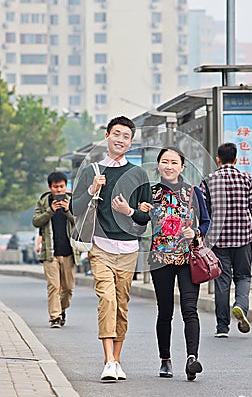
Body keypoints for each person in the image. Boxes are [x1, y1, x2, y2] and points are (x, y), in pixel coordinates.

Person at [71, 116, 152, 382]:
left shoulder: (139, 174)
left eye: (126, 136)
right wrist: (93, 189)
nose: (120, 139)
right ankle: (108, 361)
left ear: (131, 142)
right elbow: (75, 208)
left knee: (122, 304)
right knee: (106, 300)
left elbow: (144, 217)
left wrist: (128, 211)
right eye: (116, 133)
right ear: (107, 136)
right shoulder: (91, 171)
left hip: (128, 250)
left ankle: (118, 360)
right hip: (100, 247)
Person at [139, 147, 210, 381]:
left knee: (190, 309)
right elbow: (138, 223)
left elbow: (206, 221)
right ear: (158, 165)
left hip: (188, 259)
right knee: (165, 311)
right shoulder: (149, 192)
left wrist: (196, 232)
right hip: (161, 260)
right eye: (164, 161)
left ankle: (192, 358)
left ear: (182, 167)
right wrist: (138, 211)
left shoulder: (193, 192)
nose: (169, 166)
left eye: (174, 162)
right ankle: (165, 359)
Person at [201, 142, 252, 338]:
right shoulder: (246, 179)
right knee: (243, 277)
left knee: (222, 282)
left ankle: (222, 328)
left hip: (219, 241)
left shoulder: (209, 180)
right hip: (243, 239)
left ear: (218, 159)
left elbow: (204, 212)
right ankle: (240, 307)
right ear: (236, 160)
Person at [32, 171, 79, 328]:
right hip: (50, 253)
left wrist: (67, 210)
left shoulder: (72, 201)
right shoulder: (43, 202)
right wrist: (50, 210)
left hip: (69, 253)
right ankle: (55, 317)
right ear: (50, 187)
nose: (59, 190)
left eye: (61, 187)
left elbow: (81, 222)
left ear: (66, 186)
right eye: (55, 187)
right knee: (53, 286)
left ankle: (61, 309)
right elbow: (36, 222)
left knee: (68, 289)